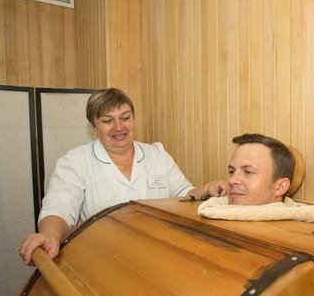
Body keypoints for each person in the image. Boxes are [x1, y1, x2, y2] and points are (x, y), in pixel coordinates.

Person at [17, 88, 218, 265]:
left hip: (156, 258)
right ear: (94, 127)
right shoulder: (75, 162)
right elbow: (59, 209)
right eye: (107, 121)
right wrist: (49, 235)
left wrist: (206, 189)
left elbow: (184, 195)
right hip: (100, 262)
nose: (119, 127)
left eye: (125, 117)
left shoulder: (157, 155)